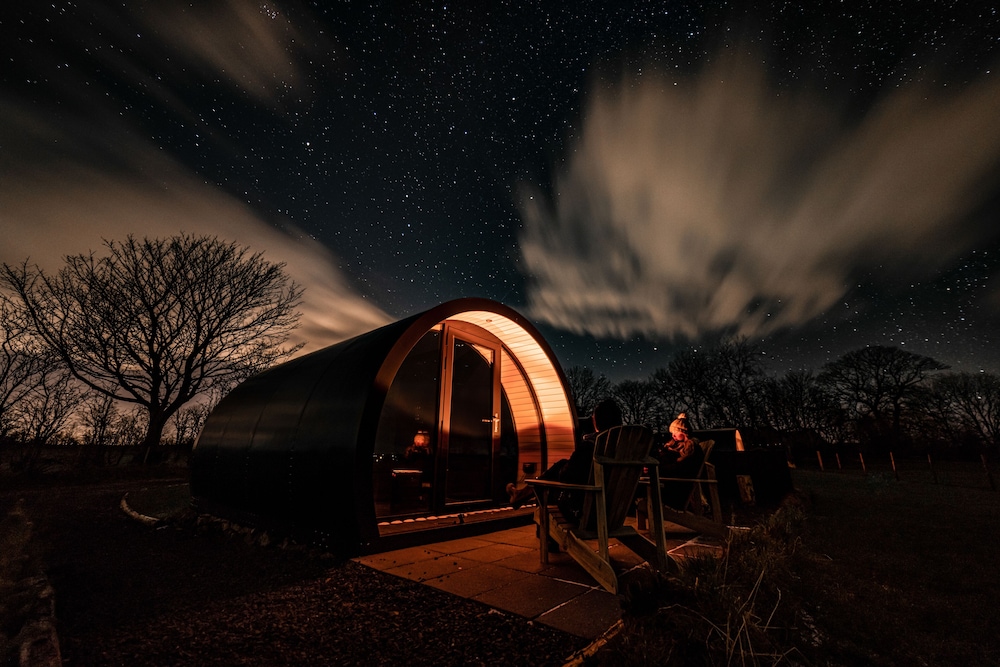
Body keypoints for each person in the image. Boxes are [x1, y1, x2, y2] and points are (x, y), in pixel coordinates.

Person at [506, 399, 624, 520]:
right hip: (616, 513)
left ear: (596, 422)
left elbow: (566, 476)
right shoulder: (624, 450)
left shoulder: (591, 447)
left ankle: (522, 499)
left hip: (585, 513)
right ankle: (520, 496)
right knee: (562, 464)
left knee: (547, 486)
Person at [656, 412, 705, 508]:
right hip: (670, 482)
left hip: (677, 489)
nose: (673, 435)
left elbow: (681, 468)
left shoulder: (690, 449)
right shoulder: (672, 447)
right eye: (672, 433)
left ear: (684, 432)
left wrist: (659, 469)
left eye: (676, 432)